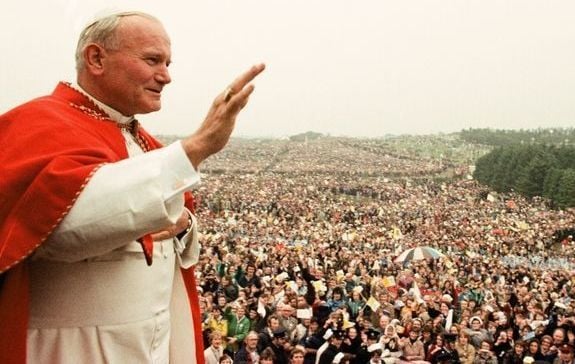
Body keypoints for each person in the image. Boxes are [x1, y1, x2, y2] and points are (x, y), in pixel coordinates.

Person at [0, 10, 265, 364]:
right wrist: (196, 147)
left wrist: (184, 224)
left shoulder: (142, 140)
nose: (167, 76)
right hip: (72, 349)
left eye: (168, 63)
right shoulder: (37, 123)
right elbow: (60, 226)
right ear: (97, 58)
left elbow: (173, 224)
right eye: (153, 60)